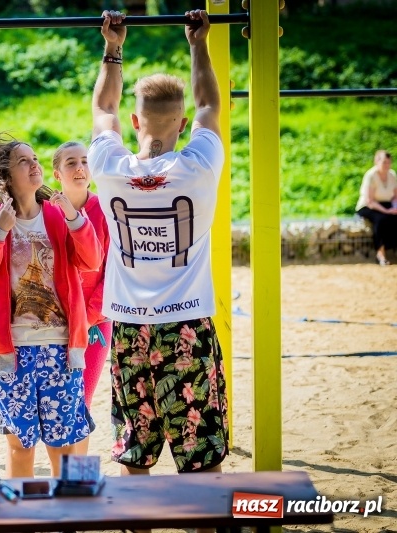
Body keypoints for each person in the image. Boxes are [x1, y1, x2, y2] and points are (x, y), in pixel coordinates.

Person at [89, 8, 229, 489]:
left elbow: (102, 111)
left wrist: (113, 47)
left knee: (136, 451)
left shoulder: (108, 166)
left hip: (130, 327)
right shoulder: (199, 167)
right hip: (188, 324)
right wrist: (198, 42)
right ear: (183, 123)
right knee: (202, 454)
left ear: (135, 121)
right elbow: (211, 104)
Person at [0, 134, 102, 478]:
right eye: (23, 161)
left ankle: (66, 519)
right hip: (9, 350)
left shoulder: (60, 216)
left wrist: (75, 217)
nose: (34, 165)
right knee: (20, 444)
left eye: (34, 159)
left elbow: (92, 260)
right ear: (5, 176)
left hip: (60, 346)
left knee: (62, 443)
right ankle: (25, 521)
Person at [51, 141, 111, 454]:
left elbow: (113, 271)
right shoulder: (47, 212)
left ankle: (77, 479)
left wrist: (86, 317)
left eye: (85, 161)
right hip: (54, 325)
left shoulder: (106, 209)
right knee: (58, 404)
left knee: (80, 403)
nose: (79, 168)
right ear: (56, 173)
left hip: (95, 323)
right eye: (71, 162)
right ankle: (66, 476)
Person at [355, 150, 397, 266]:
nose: (386, 165)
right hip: (368, 206)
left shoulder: (392, 175)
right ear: (376, 162)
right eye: (384, 162)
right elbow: (370, 201)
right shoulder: (371, 175)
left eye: (388, 163)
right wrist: (387, 211)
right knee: (381, 220)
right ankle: (381, 254)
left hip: (386, 204)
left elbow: (395, 196)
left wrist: (394, 208)